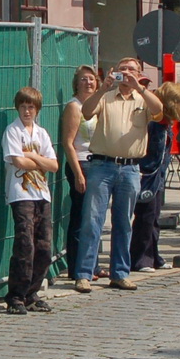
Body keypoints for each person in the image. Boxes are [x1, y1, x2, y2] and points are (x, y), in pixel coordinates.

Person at [74, 58, 163, 292]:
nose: (126, 73)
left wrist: (140, 87)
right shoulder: (106, 96)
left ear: (139, 73)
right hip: (102, 166)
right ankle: (84, 273)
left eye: (131, 70)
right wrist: (103, 87)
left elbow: (159, 111)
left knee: (123, 223)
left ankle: (120, 273)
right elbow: (86, 111)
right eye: (122, 69)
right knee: (92, 221)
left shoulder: (143, 99)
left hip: (131, 169)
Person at [2, 87, 58, 314]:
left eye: (31, 107)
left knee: (44, 246)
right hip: (21, 194)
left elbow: (53, 165)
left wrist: (33, 156)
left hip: (42, 193)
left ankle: (32, 293)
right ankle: (16, 295)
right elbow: (18, 161)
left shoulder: (41, 134)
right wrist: (39, 161)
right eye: (23, 106)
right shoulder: (13, 131)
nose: (27, 111)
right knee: (25, 244)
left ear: (37, 109)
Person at [131, 82, 180, 271]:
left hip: (158, 175)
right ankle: (140, 259)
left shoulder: (165, 124)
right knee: (145, 217)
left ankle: (153, 256)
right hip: (147, 175)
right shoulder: (155, 123)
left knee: (154, 217)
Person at [59, 66, 100, 280]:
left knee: (94, 218)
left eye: (91, 79)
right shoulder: (73, 107)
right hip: (81, 164)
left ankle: (93, 264)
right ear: (76, 83)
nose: (88, 83)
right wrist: (78, 174)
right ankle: (76, 267)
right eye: (83, 79)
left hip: (99, 164)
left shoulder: (98, 105)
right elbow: (68, 142)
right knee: (80, 217)